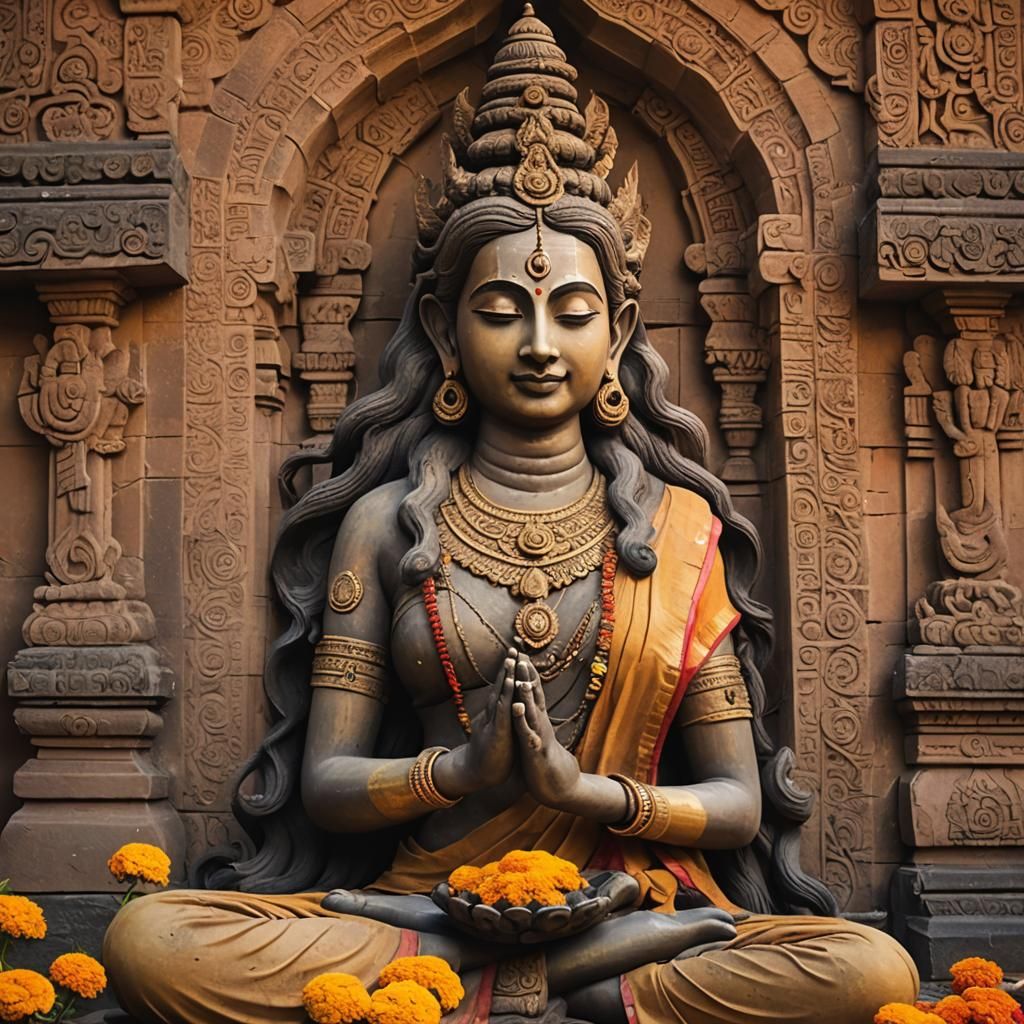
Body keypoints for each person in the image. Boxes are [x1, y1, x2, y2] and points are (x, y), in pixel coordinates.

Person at [104, 8, 919, 1023]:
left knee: (869, 969)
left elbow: (736, 803)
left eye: (571, 312)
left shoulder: (676, 532)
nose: (539, 342)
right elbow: (326, 782)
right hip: (419, 903)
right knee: (151, 941)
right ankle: (564, 979)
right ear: (445, 329)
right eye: (501, 311)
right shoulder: (383, 525)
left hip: (626, 892)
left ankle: (473, 988)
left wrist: (590, 795)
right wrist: (458, 768)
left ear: (618, 329)